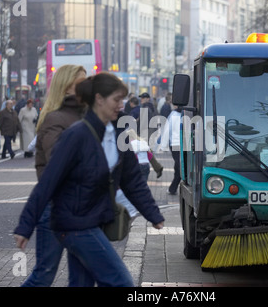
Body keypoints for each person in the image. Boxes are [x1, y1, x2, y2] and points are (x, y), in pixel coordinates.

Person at [14, 72, 164, 287]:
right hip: (74, 224)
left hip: (93, 220)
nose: (121, 105)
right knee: (120, 282)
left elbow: (132, 179)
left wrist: (153, 214)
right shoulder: (77, 135)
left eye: (122, 100)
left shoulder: (115, 134)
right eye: (116, 100)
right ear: (99, 99)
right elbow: (48, 182)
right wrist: (25, 226)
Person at [21, 64, 87, 287]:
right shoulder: (55, 120)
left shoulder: (80, 116)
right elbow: (57, 164)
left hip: (78, 208)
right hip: (56, 208)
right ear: (66, 88)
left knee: (82, 276)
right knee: (44, 275)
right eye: (81, 84)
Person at [161, 106, 182, 195]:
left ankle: (173, 188)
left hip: (180, 144)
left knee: (179, 166)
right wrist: (163, 145)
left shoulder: (175, 114)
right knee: (179, 166)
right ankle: (173, 188)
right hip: (176, 143)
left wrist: (164, 145)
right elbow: (167, 130)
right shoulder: (174, 115)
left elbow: (166, 130)